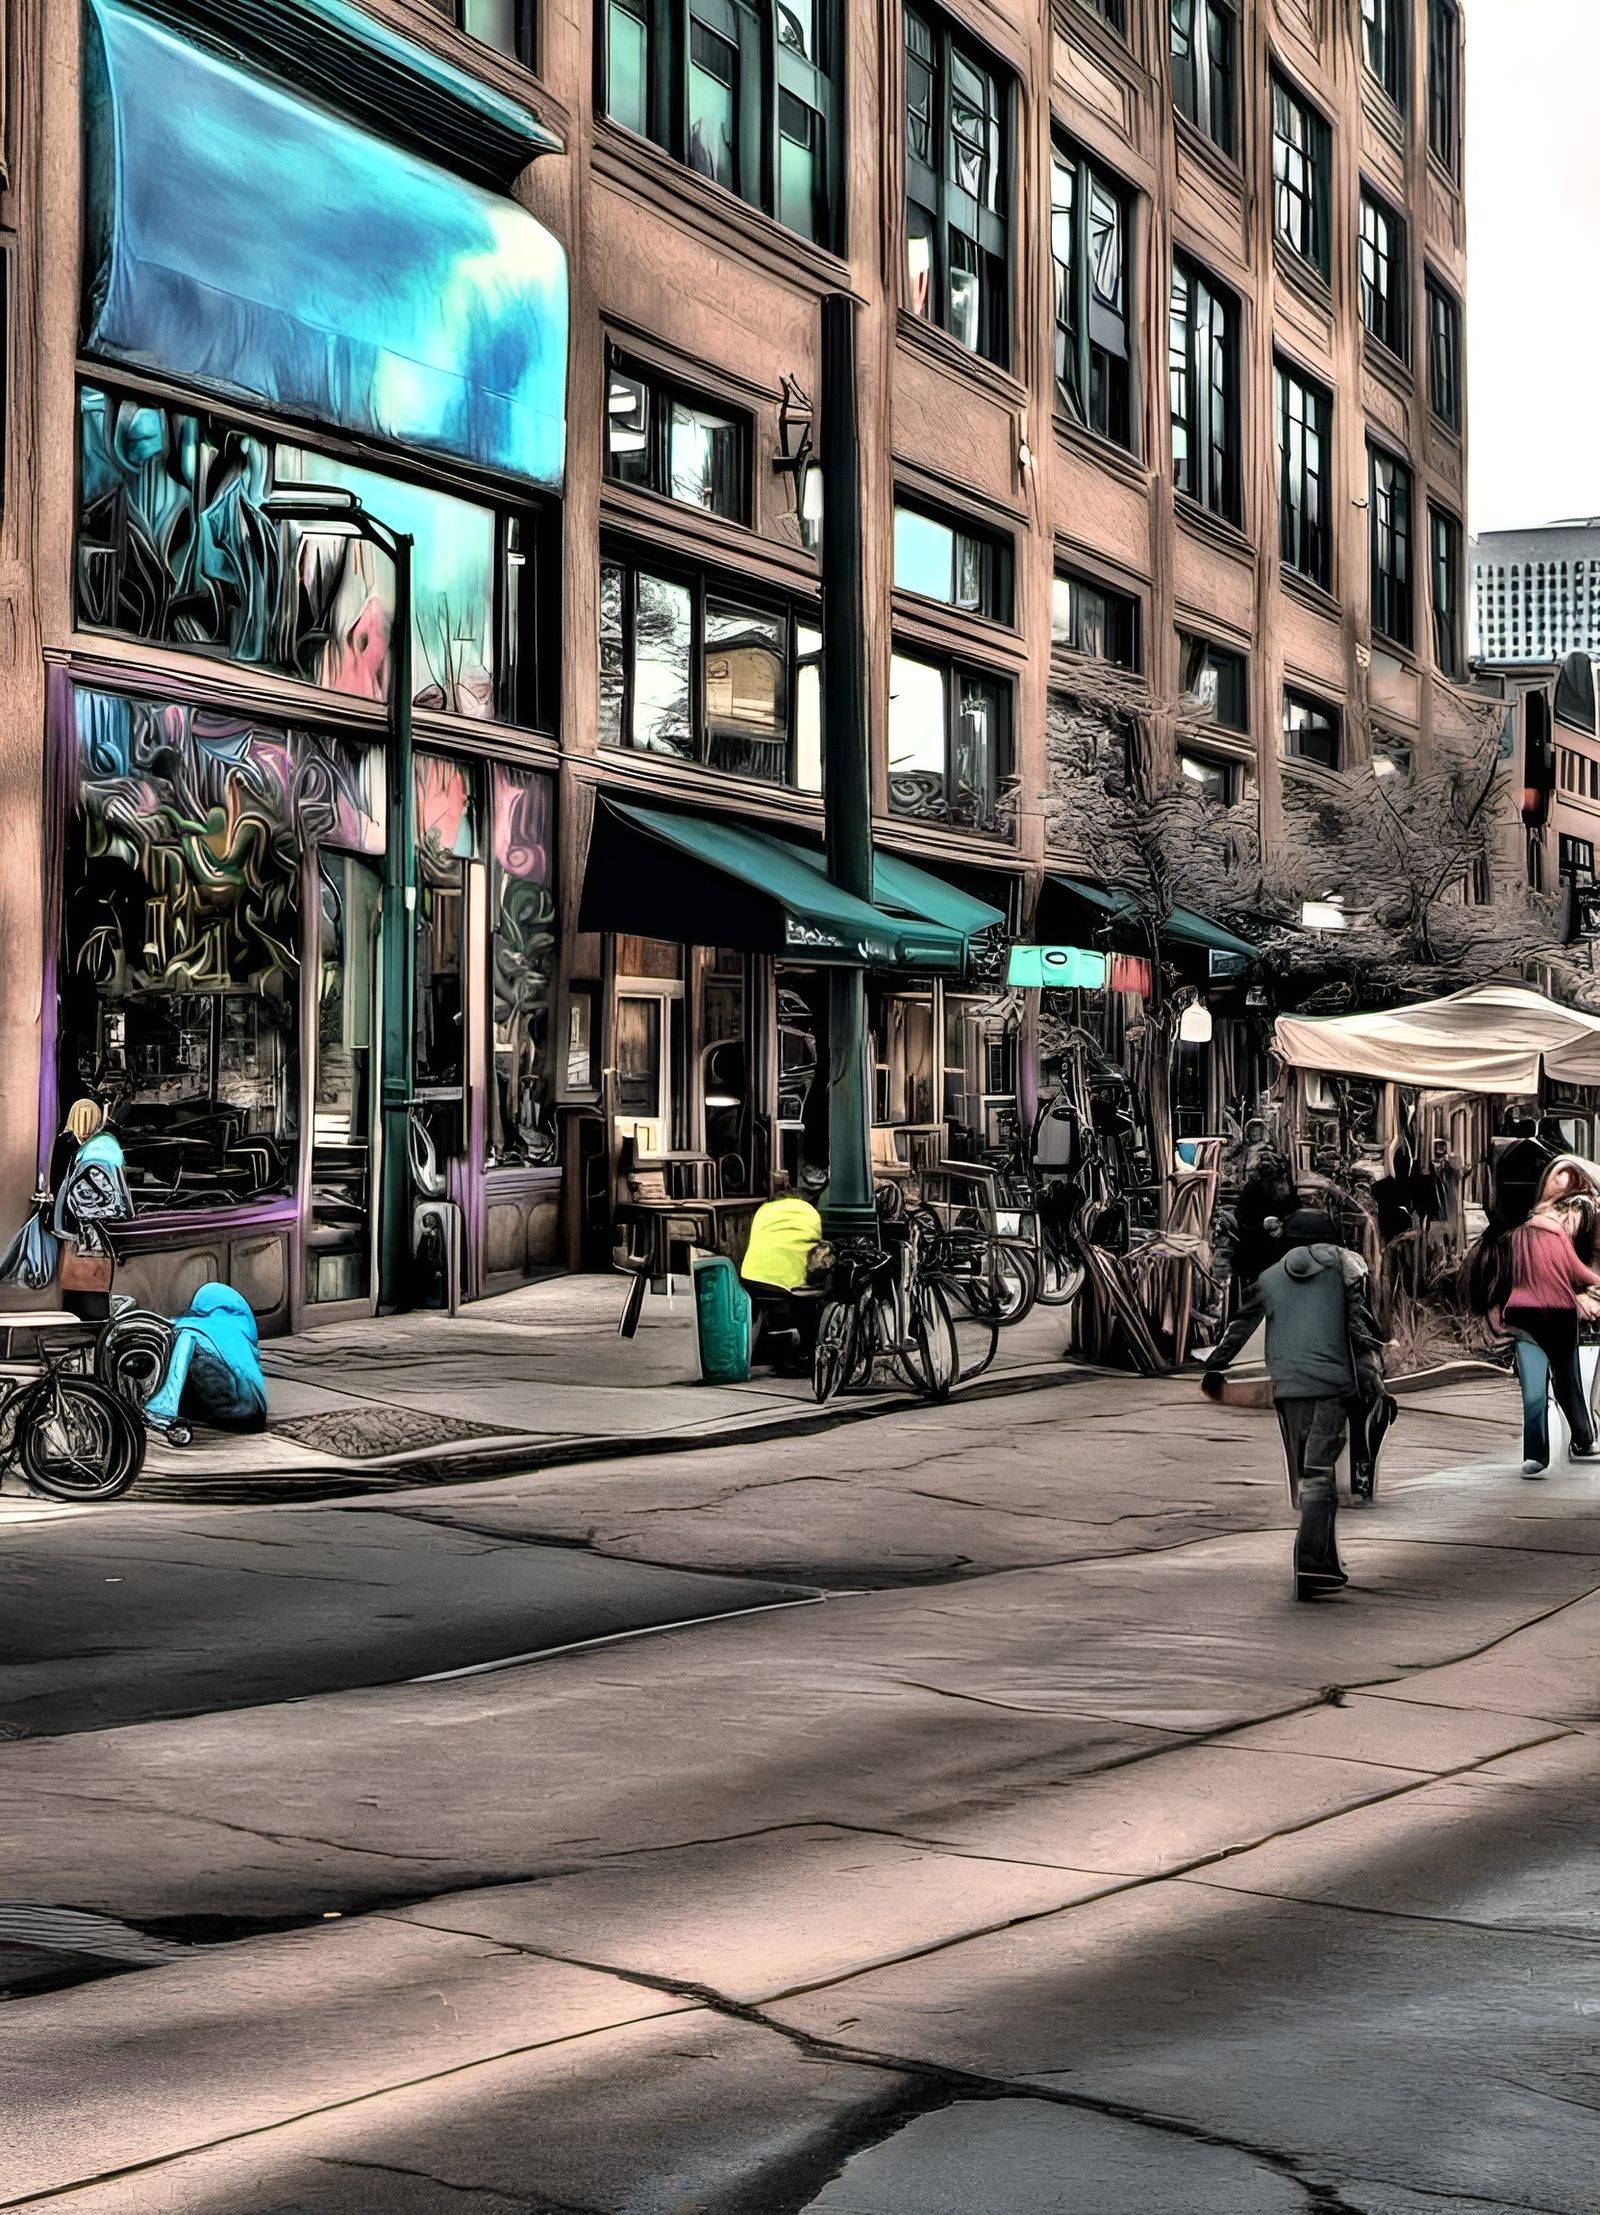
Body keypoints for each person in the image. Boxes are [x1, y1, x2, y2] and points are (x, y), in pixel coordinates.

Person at [1201, 1209, 1386, 1601]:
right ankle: (1311, 1565)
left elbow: (1239, 1325)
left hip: (1287, 1386)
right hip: (1332, 1383)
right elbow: (1360, 1326)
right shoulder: (1343, 1268)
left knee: (1308, 1474)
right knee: (1321, 1476)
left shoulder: (1269, 1278)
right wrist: (1374, 1368)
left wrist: (1214, 1367)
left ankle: (1326, 1563)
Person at [1465, 1154, 1600, 1476]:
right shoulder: (1556, 1233)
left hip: (1523, 1315)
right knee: (1568, 1381)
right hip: (1559, 1313)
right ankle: (1583, 1439)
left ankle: (1536, 1456)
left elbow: (1497, 1280)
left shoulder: (1512, 1238)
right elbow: (1578, 1271)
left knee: (1534, 1391)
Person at [143, 1284, 268, 1435]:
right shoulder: (238, 1331)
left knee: (191, 1356)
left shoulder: (191, 1330)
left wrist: (161, 1409)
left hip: (232, 1413)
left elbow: (176, 1374)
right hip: (256, 1415)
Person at [51, 1098, 133, 1320]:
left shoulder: (89, 1153)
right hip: (100, 1238)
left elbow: (92, 1204)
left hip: (91, 1239)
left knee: (91, 1301)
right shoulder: (102, 1147)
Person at [741, 1165, 827, 1366]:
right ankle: (804, 1351)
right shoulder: (811, 1214)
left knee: (764, 1303)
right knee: (812, 1298)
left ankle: (761, 1346)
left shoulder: (765, 1210)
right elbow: (815, 1244)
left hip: (752, 1277)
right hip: (787, 1282)